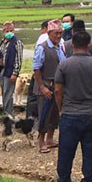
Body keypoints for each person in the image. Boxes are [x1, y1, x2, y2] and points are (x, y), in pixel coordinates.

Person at [53, 30, 92, 182]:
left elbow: (58, 90)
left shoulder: (64, 65)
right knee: (90, 152)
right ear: (89, 45)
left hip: (70, 114)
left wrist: (61, 109)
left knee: (65, 151)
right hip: (91, 114)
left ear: (72, 45)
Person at [33, 20, 66, 153]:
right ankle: (41, 140)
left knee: (54, 113)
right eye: (56, 33)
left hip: (57, 85)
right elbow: (36, 68)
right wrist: (42, 87)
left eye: (60, 33)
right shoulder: (43, 47)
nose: (58, 36)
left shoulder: (60, 47)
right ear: (49, 33)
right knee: (44, 114)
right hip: (46, 84)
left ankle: (50, 139)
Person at [0, 21, 24, 123]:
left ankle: (9, 115)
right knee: (4, 93)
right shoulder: (3, 42)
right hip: (2, 70)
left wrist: (15, 73)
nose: (9, 32)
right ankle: (6, 113)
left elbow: (18, 59)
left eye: (11, 30)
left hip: (10, 71)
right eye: (7, 30)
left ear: (14, 30)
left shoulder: (17, 43)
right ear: (3, 31)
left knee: (8, 93)